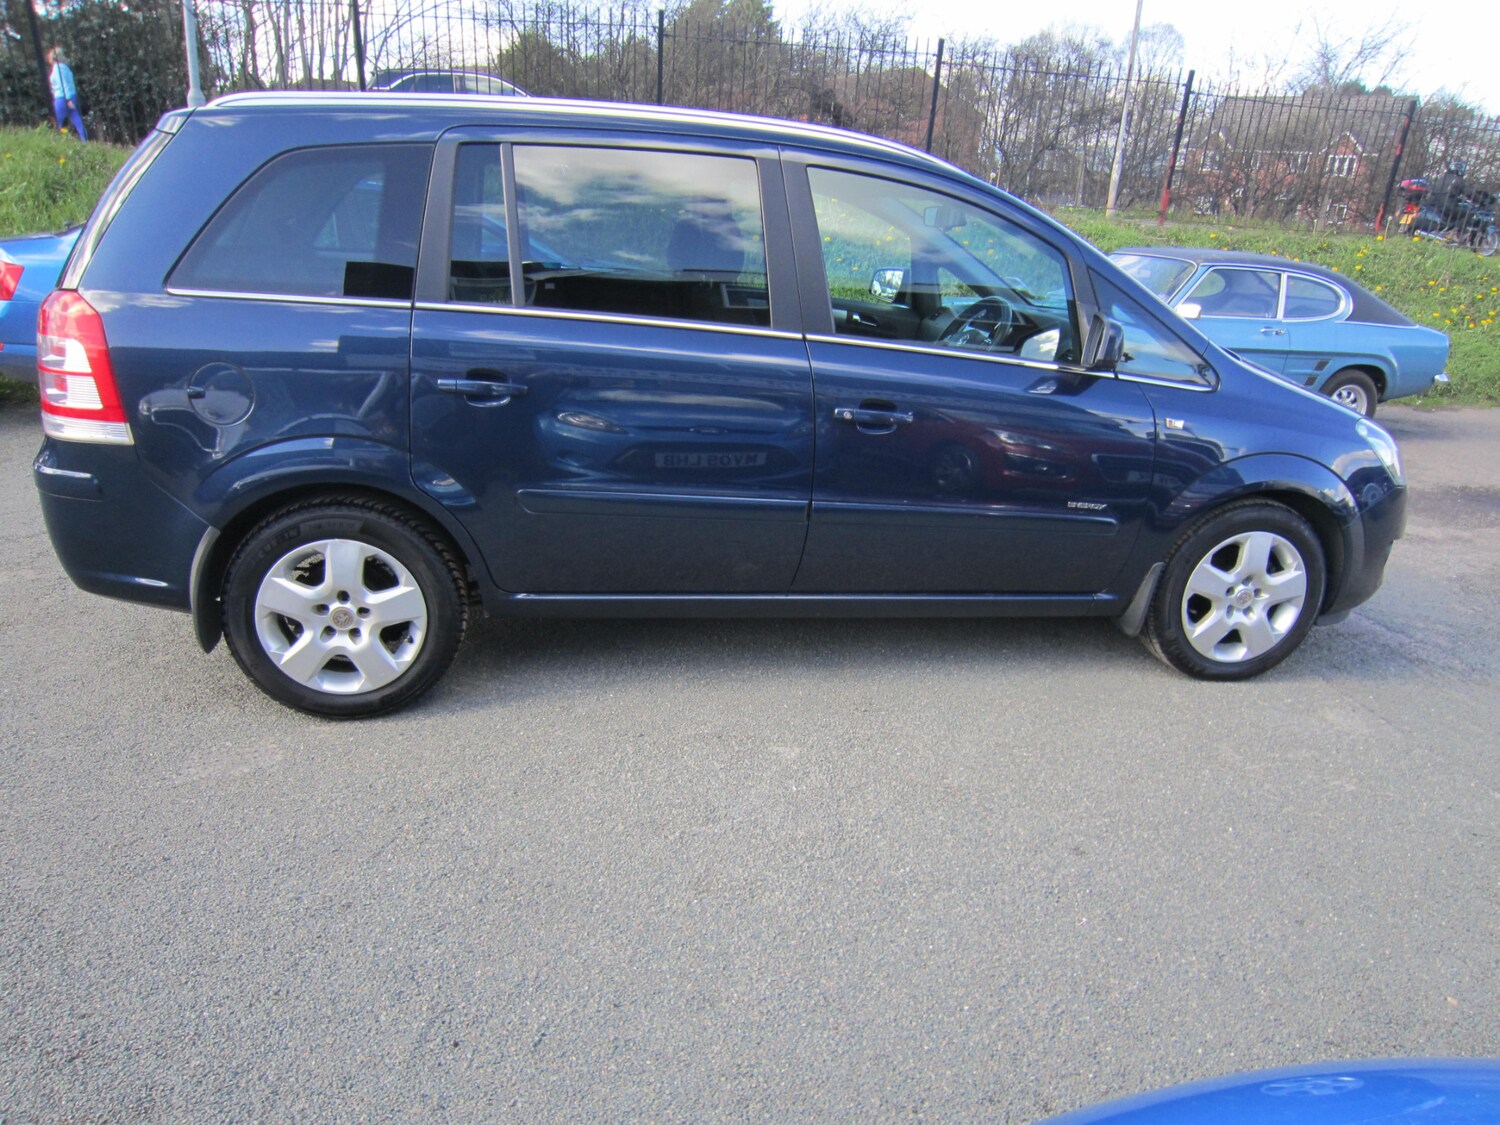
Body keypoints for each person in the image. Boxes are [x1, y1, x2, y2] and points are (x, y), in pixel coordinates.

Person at [47, 47, 87, 142]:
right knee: (76, 118)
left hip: (61, 98)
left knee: (58, 121)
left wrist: (66, 98)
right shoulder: (66, 69)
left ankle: (57, 141)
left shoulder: (56, 69)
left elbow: (61, 84)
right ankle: (84, 140)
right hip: (72, 96)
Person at [1432, 160, 1469, 226]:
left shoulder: (1442, 178)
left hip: (1433, 203)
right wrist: (1481, 200)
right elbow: (1469, 193)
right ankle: (1457, 229)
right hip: (1447, 207)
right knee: (1470, 212)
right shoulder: (1459, 180)